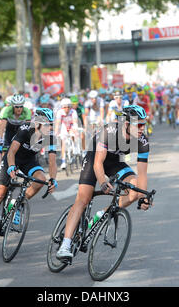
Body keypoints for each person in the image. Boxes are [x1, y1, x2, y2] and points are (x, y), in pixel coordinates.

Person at [56, 105, 151, 260]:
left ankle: (102, 213)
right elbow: (98, 163)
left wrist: (144, 197)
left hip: (115, 163)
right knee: (83, 198)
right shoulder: (109, 131)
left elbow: (142, 174)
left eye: (144, 125)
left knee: (135, 191)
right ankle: (65, 245)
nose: (142, 129)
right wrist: (102, 182)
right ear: (126, 124)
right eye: (138, 125)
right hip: (95, 158)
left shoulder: (142, 141)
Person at [0, 108, 58, 246]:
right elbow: (11, 151)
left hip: (29, 160)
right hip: (13, 158)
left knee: (41, 179)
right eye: (47, 124)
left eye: (51, 124)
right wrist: (11, 166)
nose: (50, 127)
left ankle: (18, 203)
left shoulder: (50, 136)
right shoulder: (25, 129)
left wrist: (53, 179)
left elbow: (52, 161)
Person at [55, 98, 79, 170]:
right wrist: (56, 132)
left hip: (71, 126)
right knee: (63, 143)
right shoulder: (60, 112)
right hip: (64, 127)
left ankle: (74, 146)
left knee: (73, 134)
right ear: (62, 107)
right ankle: (63, 161)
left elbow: (75, 122)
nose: (67, 109)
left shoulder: (73, 112)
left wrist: (75, 130)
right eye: (65, 107)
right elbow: (58, 123)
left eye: (68, 107)